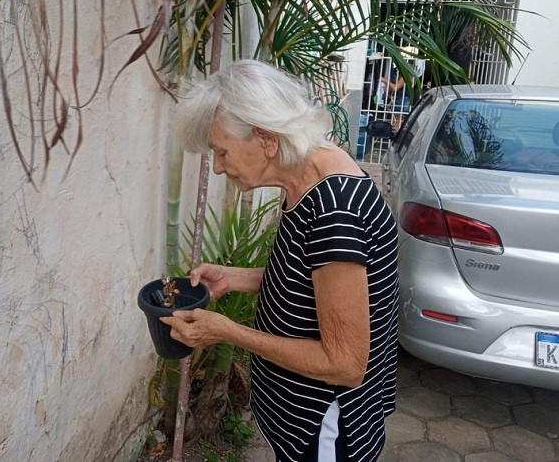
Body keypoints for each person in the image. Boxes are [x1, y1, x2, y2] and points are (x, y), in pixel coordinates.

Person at [162, 60, 400, 462]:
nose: (218, 167)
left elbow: (344, 364)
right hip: (300, 420)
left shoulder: (334, 210)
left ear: (266, 138)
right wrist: (235, 279)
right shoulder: (314, 170)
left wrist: (227, 331)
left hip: (325, 428)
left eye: (222, 152)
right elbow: (315, 278)